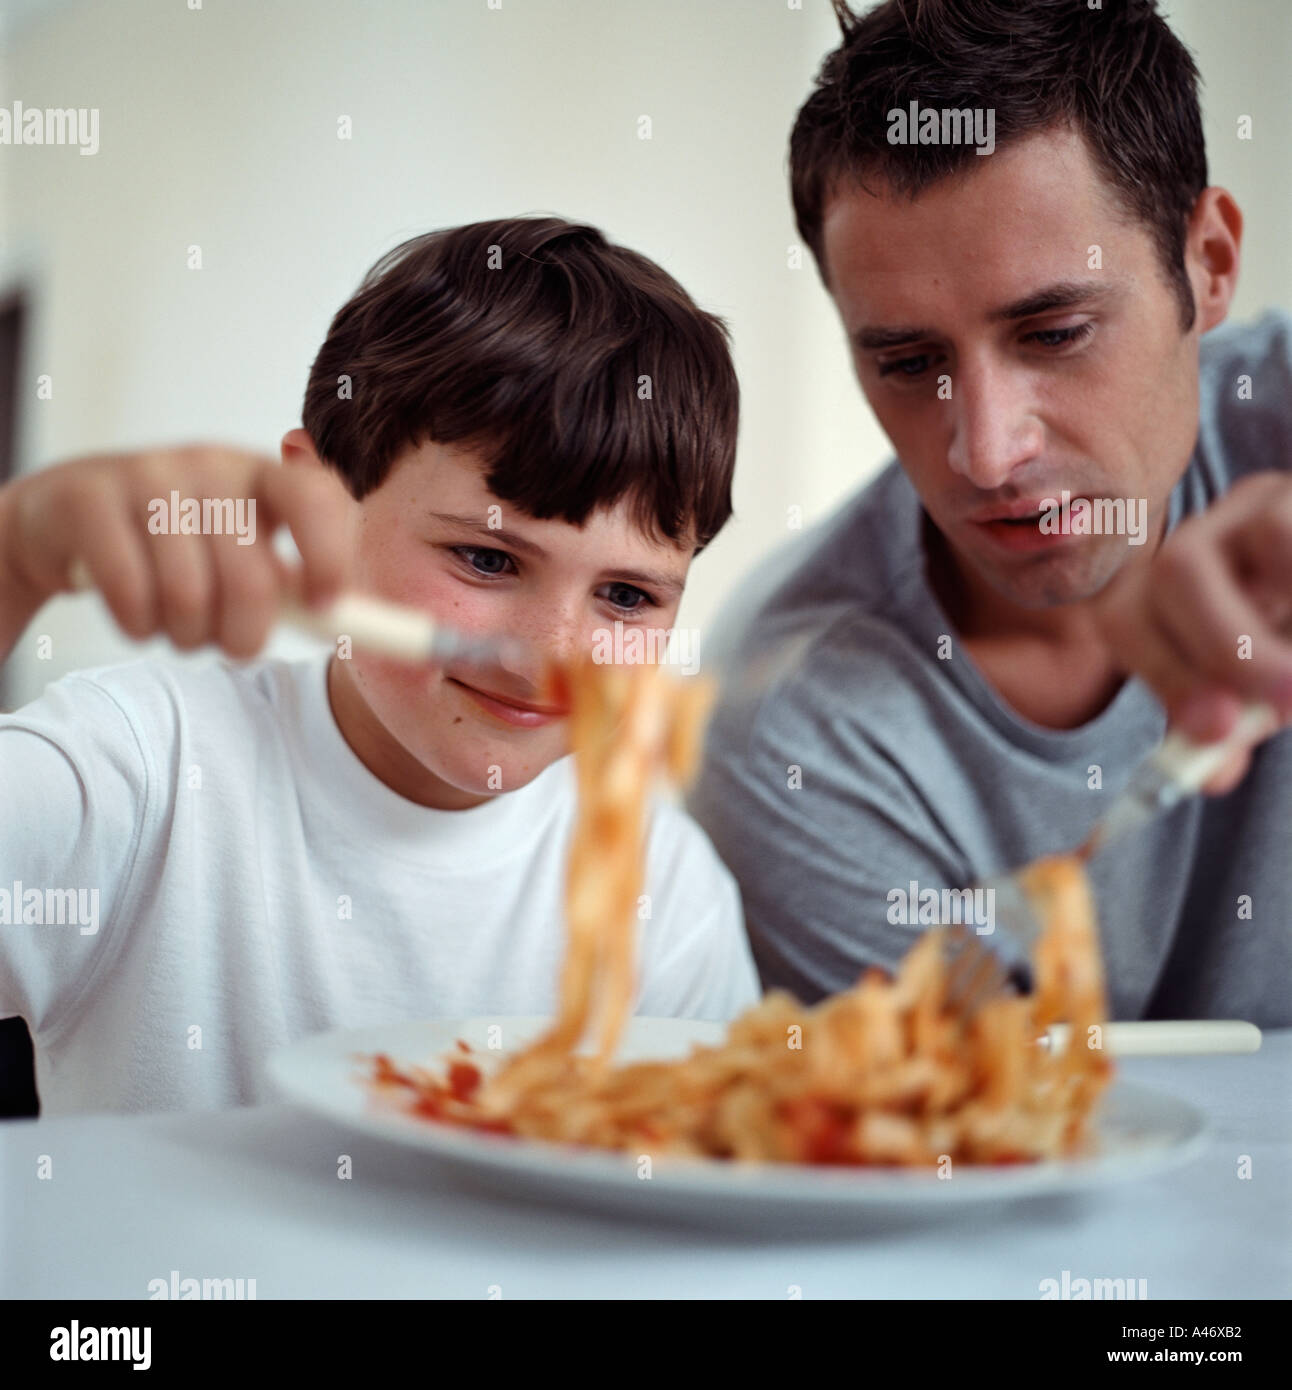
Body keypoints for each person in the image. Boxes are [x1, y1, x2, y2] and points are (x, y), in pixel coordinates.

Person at [0, 216, 759, 1115]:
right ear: (318, 500)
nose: (549, 661)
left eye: (628, 597)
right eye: (486, 559)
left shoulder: (664, 894)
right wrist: (15, 559)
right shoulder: (137, 776)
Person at [689, 0, 1291, 1026]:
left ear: (1209, 263)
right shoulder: (795, 731)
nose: (985, 450)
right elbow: (986, 1148)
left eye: (1053, 332)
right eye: (908, 362)